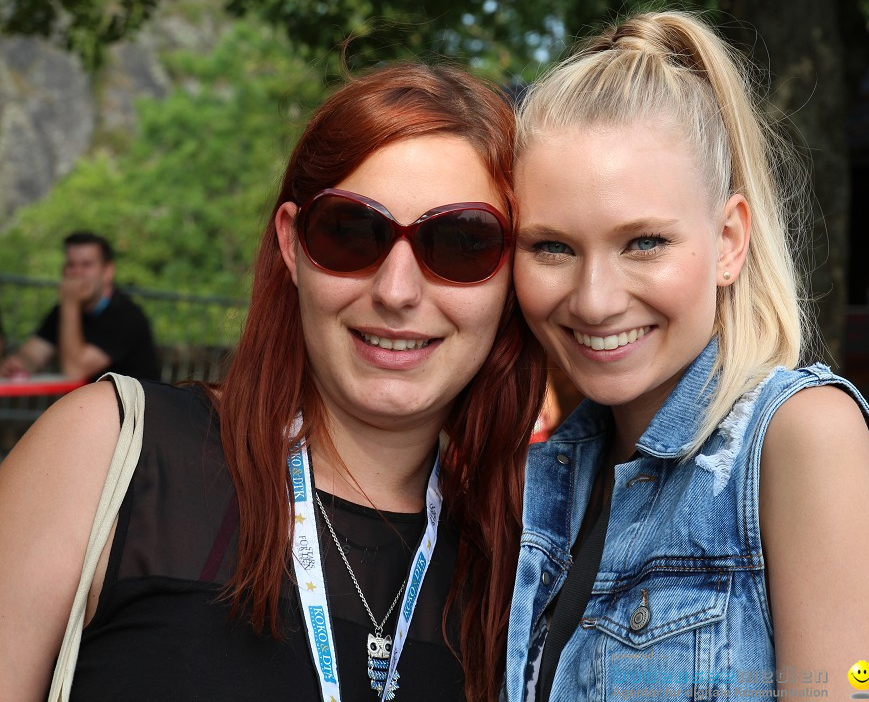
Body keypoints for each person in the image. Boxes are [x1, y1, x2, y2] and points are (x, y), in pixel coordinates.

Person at [0, 62, 545, 701]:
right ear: (292, 245)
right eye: (351, 234)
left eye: (460, 243)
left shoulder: (525, 565)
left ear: (515, 276)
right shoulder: (108, 453)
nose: (397, 292)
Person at [505, 11, 869, 701]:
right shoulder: (546, 481)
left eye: (643, 243)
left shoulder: (804, 439)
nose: (596, 299)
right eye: (553, 247)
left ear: (729, 241)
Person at [0, 232, 159, 381]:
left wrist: (70, 303)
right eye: (71, 265)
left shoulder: (126, 315)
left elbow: (74, 371)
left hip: (134, 409)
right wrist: (18, 363)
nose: (77, 273)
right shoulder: (62, 311)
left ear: (108, 272)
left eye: (86, 265)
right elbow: (34, 353)